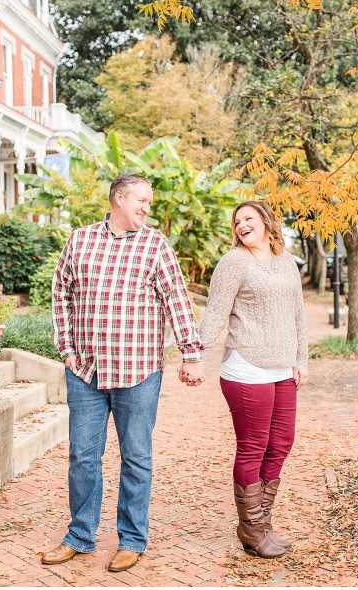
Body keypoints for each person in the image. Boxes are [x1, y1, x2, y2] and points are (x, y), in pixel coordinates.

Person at [43, 172, 205, 572]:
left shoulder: (155, 244)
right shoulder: (80, 239)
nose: (147, 209)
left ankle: (132, 539)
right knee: (83, 456)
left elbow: (177, 300)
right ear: (119, 199)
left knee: (136, 458)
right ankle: (80, 536)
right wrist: (66, 348)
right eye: (142, 201)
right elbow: (60, 292)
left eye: (148, 203)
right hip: (85, 372)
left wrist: (191, 353)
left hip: (139, 371)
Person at [198, 200, 308, 559]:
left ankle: (260, 523)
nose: (242, 224)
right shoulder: (234, 262)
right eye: (237, 221)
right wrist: (194, 355)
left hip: (282, 369)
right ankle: (252, 528)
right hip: (246, 366)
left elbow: (298, 314)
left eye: (249, 218)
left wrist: (301, 359)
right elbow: (215, 313)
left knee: (281, 443)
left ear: (265, 221)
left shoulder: (286, 261)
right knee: (253, 446)